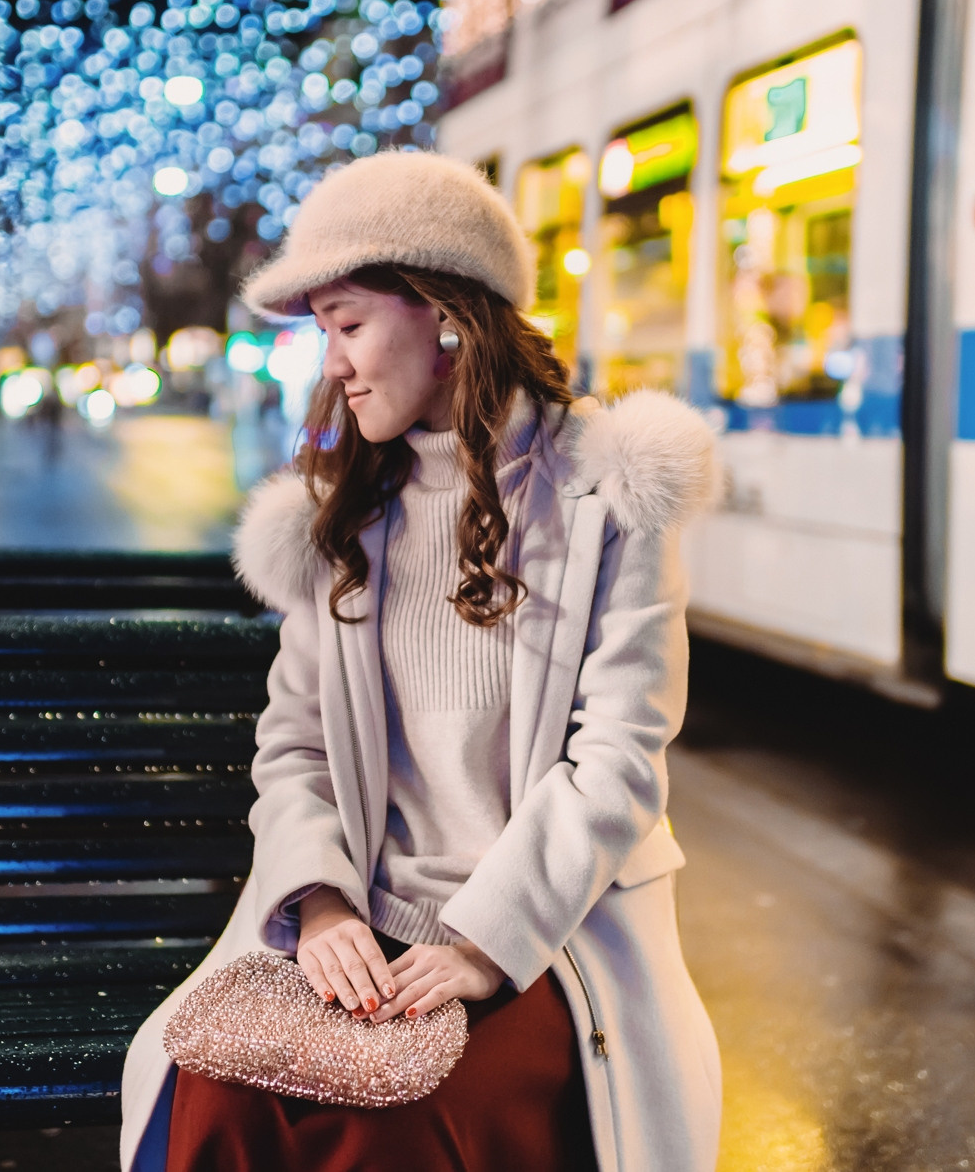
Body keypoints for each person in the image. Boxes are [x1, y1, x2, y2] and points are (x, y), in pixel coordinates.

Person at [119, 152, 724, 1172]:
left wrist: (482, 945)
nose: (334, 365)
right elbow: (294, 748)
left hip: (543, 938)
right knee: (217, 1090)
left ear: (443, 317)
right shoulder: (339, 518)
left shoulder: (608, 492)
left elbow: (618, 761)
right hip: (361, 923)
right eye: (322, 332)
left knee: (399, 1123)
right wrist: (315, 903)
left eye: (347, 324)